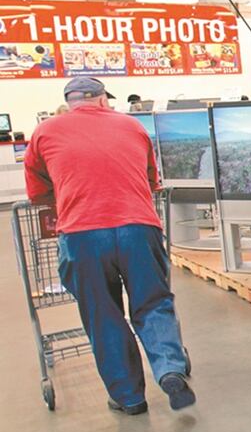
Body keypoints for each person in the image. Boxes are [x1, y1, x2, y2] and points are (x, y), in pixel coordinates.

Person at [24, 77, 196, 414]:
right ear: (103, 100)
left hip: (82, 235)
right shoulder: (131, 126)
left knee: (103, 315)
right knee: (153, 303)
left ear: (70, 101)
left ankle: (129, 397)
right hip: (138, 228)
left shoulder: (44, 132)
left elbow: (37, 193)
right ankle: (170, 370)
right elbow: (150, 181)